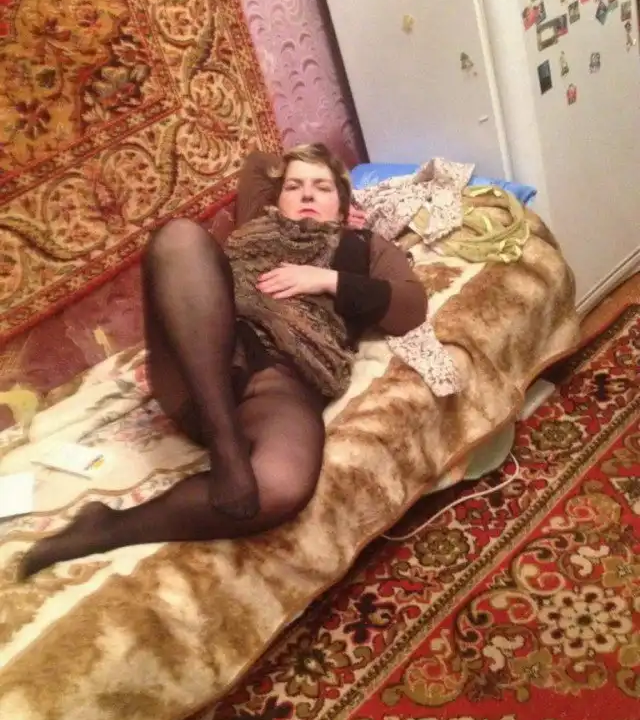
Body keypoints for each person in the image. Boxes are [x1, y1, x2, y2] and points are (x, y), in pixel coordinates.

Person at [19, 144, 427, 579]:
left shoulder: (365, 247)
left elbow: (412, 307)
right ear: (275, 197)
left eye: (322, 188)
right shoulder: (257, 223)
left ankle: (106, 527)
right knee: (180, 237)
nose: (307, 194)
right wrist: (301, 174)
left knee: (279, 487)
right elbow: (258, 164)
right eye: (294, 186)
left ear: (344, 206)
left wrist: (326, 279)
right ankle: (225, 442)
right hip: (199, 361)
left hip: (286, 377)